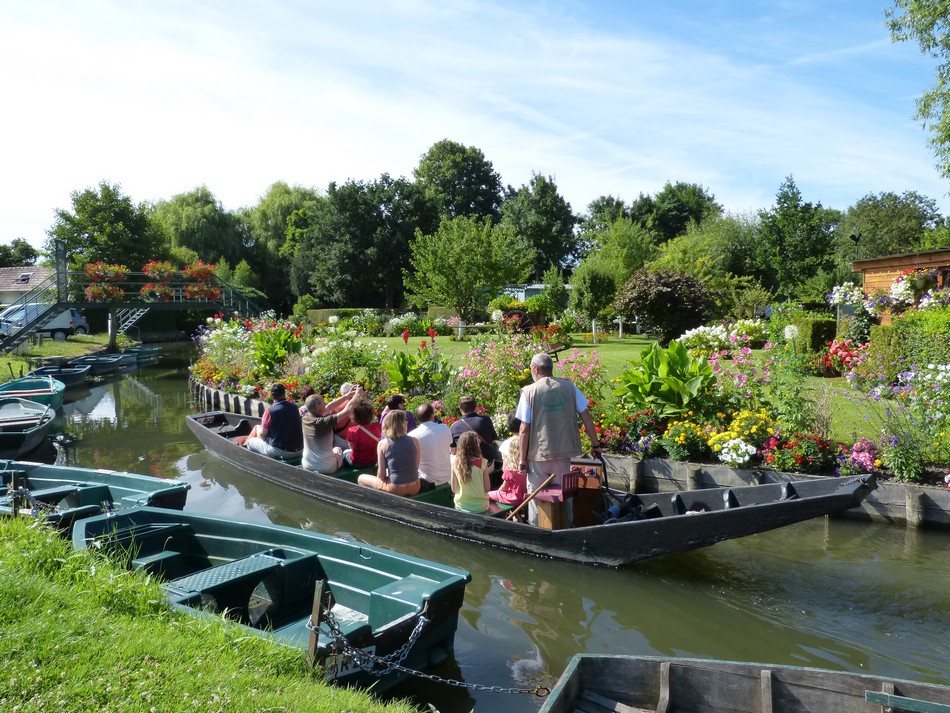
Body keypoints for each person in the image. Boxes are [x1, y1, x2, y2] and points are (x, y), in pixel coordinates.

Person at [516, 352, 603, 525]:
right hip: (563, 455)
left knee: (536, 500)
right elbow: (586, 415)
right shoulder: (570, 387)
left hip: (538, 457)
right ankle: (566, 527)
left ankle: (537, 529)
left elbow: (524, 428)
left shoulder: (528, 391)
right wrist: (595, 444)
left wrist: (522, 460)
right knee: (564, 495)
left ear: (535, 369)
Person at [301, 386, 363, 474]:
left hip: (307, 464)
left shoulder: (305, 418)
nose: (325, 403)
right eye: (323, 402)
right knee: (338, 449)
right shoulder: (324, 422)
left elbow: (329, 407)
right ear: (318, 407)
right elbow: (348, 410)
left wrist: (347, 396)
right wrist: (357, 394)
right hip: (326, 467)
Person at [357, 410, 421, 495]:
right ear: (404, 424)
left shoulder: (383, 443)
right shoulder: (414, 440)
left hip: (396, 489)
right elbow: (416, 466)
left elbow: (381, 475)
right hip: (415, 486)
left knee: (361, 478)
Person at [244, 383, 304, 459]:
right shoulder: (295, 407)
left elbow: (263, 435)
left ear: (272, 396)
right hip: (299, 450)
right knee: (257, 427)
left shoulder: (269, 411)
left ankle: (246, 454)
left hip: (281, 452)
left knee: (250, 442)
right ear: (284, 394)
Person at [449, 395, 502, 470]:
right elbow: (493, 440)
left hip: (466, 469)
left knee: (452, 457)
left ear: (460, 409)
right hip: (487, 466)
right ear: (475, 407)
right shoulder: (486, 420)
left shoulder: (454, 426)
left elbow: (453, 451)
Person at [408, 403, 452, 491]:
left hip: (427, 482)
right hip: (447, 477)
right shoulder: (445, 428)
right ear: (432, 416)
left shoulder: (411, 436)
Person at [450, 431, 490, 513]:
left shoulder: (455, 463)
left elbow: (454, 489)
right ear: (476, 446)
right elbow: (487, 488)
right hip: (480, 507)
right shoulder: (483, 463)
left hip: (461, 506)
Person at [488, 435, 528, 507]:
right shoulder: (527, 468)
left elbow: (504, 488)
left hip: (513, 499)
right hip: (525, 498)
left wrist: (498, 493)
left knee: (488, 495)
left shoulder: (510, 469)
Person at [342, 398, 382, 467]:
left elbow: (351, 447)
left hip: (357, 462)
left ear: (355, 415)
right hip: (373, 461)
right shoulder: (378, 427)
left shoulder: (352, 431)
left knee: (344, 453)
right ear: (371, 414)